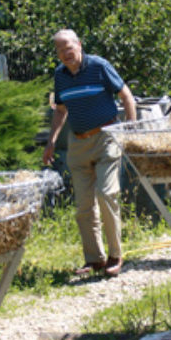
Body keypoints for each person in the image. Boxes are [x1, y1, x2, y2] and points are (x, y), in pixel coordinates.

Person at [42, 29, 136, 277]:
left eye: (68, 47)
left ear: (79, 45)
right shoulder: (60, 75)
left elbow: (126, 96)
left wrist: (130, 131)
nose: (65, 54)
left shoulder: (99, 66)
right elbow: (61, 110)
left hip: (107, 137)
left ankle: (116, 255)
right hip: (78, 143)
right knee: (83, 205)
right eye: (60, 50)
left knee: (106, 194)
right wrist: (51, 142)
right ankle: (94, 259)